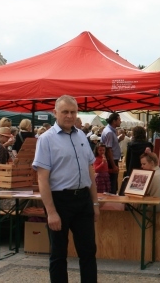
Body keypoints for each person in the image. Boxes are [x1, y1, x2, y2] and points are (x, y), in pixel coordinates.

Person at [32, 95, 99, 283]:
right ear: (55, 113)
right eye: (65, 112)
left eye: (73, 112)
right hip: (60, 201)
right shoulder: (46, 140)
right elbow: (42, 179)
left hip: (83, 199)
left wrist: (94, 203)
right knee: (59, 254)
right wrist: (51, 212)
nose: (69, 116)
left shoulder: (82, 137)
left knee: (88, 252)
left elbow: (90, 172)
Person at [101, 113, 122, 194]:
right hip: (111, 161)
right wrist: (113, 166)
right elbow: (108, 149)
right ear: (114, 121)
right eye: (119, 120)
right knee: (112, 184)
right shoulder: (109, 132)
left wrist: (118, 140)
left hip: (112, 160)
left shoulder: (110, 131)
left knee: (113, 183)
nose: (120, 121)